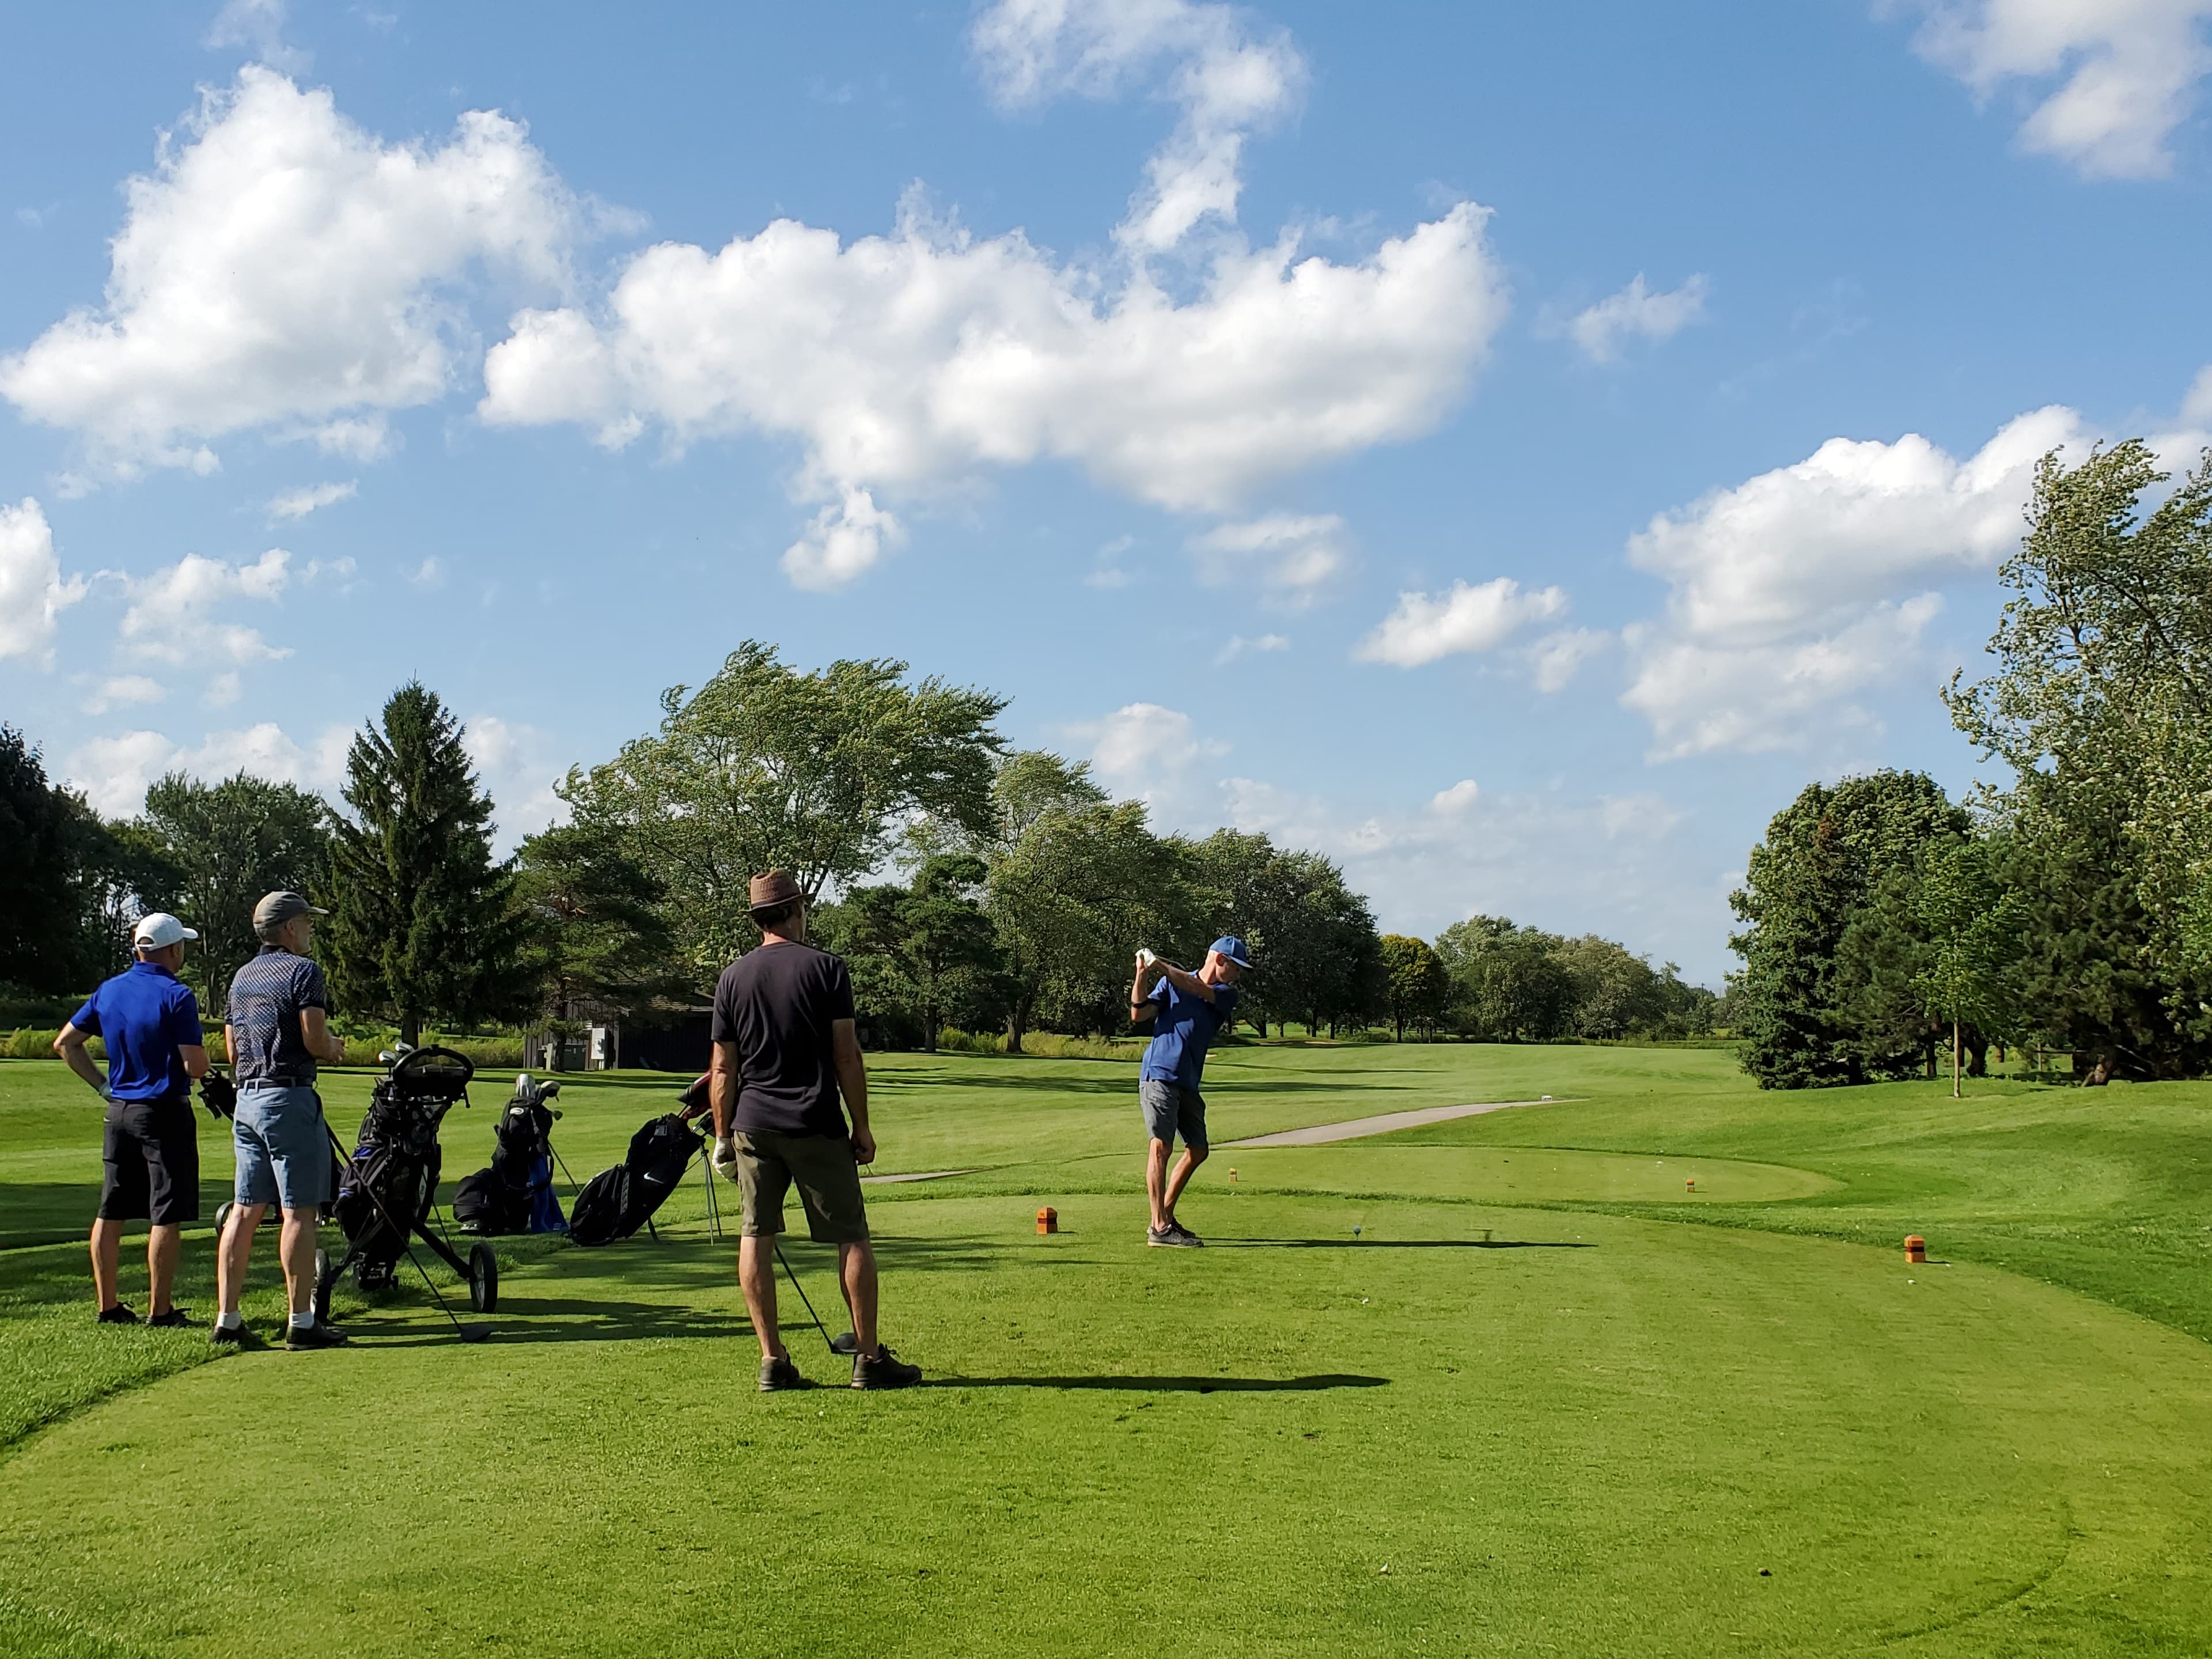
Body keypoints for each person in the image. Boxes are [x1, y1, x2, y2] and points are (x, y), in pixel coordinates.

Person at [707, 869, 921, 1392]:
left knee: (755, 1236)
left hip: (752, 1125)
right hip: (815, 1122)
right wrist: (862, 1125)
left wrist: (720, 1138)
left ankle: (772, 1361)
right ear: (795, 912)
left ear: (758, 918)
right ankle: (868, 1359)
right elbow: (845, 1054)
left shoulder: (732, 978)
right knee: (851, 1236)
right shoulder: (827, 969)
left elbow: (722, 1070)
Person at [54, 914, 212, 1325]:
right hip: (163, 1112)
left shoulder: (110, 990)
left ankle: (107, 1305)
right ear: (174, 949)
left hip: (119, 1110)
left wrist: (103, 1086)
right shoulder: (177, 995)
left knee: (112, 1209)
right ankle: (160, 1310)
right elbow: (195, 1066)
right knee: (166, 1211)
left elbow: (66, 1044)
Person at [214, 891, 348, 1351]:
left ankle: (228, 1318)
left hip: (246, 1101)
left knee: (245, 1211)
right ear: (289, 927)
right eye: (307, 922)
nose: (311, 929)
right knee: (299, 1212)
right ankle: (302, 1320)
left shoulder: (241, 978)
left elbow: (231, 1051)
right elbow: (313, 1039)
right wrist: (333, 1047)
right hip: (287, 1098)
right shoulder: (303, 972)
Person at [1129, 936, 1253, 1247]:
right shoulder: (1171, 984)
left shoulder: (1226, 994)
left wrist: (1161, 966)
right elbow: (1139, 1013)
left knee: (1198, 1150)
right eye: (1237, 967)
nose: (1240, 974)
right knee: (1161, 1147)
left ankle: (1164, 1217)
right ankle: (1159, 1228)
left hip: (1188, 1081)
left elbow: (1197, 988)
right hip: (1159, 1074)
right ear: (1221, 960)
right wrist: (1143, 974)